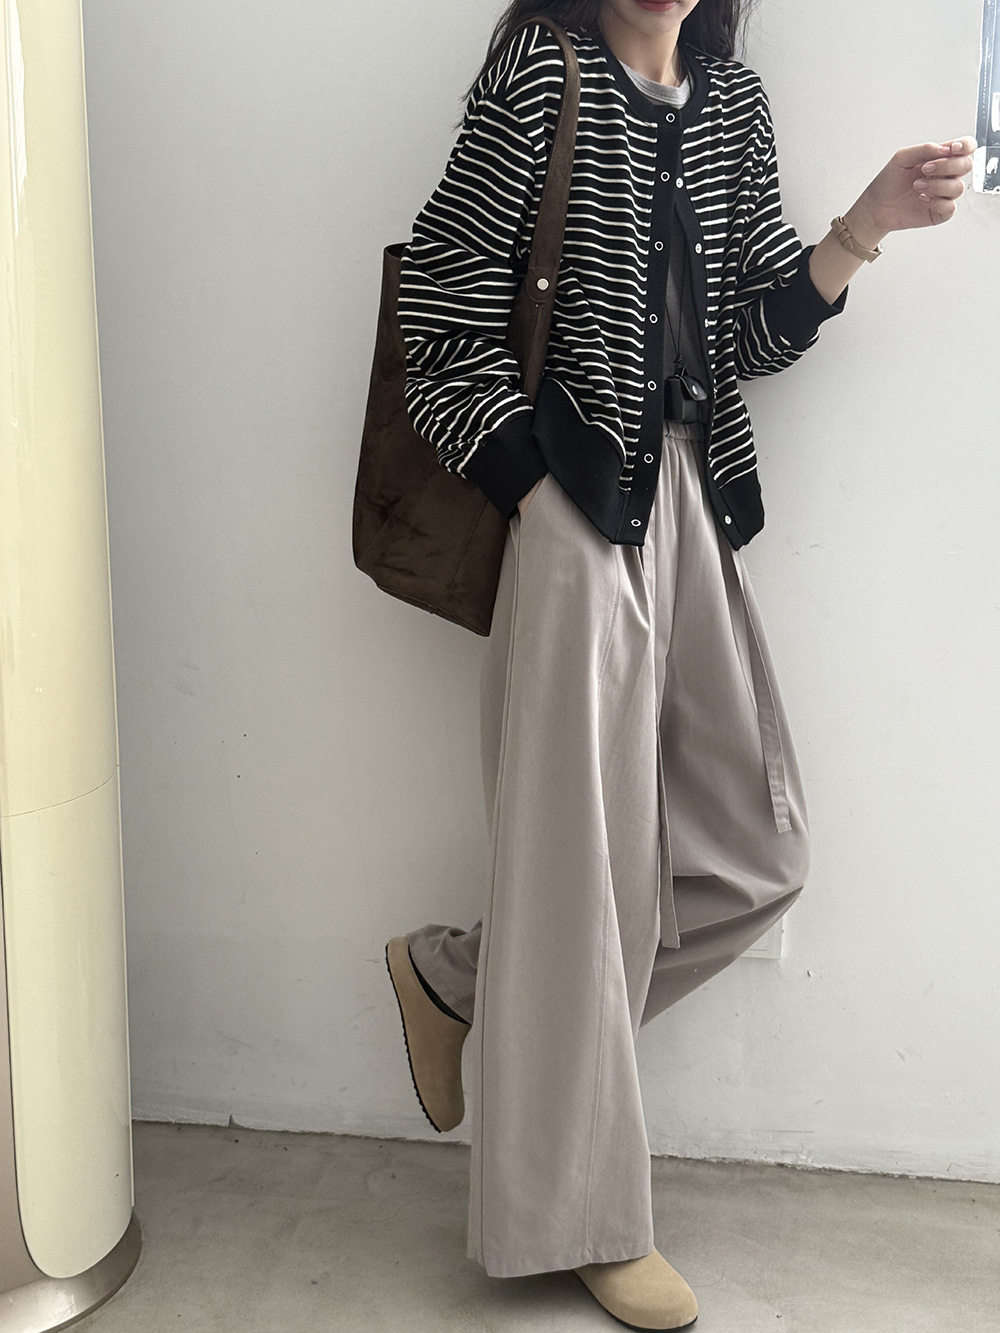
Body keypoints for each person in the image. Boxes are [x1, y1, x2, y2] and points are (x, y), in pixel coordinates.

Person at [384, 1, 974, 1326]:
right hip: (569, 508)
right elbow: (440, 318)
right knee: (580, 873)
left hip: (691, 502)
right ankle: (580, 1215)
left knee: (757, 849)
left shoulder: (731, 103)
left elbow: (749, 337)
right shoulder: (542, 75)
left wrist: (864, 225)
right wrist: (536, 492)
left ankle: (462, 981)